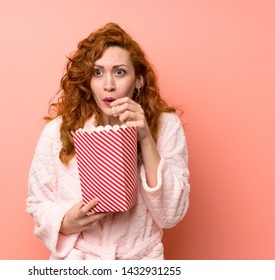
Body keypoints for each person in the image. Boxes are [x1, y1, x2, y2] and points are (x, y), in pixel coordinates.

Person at [26, 22, 190, 260]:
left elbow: (171, 213)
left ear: (139, 80)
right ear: (88, 79)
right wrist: (66, 221)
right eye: (98, 72)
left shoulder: (166, 126)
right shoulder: (58, 131)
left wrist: (144, 136)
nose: (108, 85)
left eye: (120, 72)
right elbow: (37, 203)